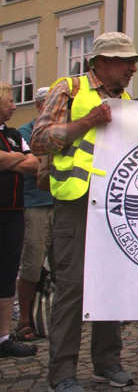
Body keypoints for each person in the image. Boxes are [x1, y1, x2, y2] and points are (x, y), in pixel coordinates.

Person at [31, 32, 138, 392]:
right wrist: (88, 122)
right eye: (126, 61)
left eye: (133, 61)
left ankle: (106, 361)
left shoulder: (126, 100)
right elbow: (40, 139)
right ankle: (61, 373)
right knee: (73, 288)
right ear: (102, 62)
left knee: (111, 284)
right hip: (76, 202)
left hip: (113, 206)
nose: (132, 68)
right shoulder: (70, 88)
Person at [0, 82, 39, 358]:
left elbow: (34, 164)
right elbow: (23, 162)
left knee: (6, 275)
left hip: (13, 212)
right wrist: (18, 160)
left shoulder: (14, 134)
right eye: (9, 100)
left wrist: (7, 159)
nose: (15, 105)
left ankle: (3, 337)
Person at [14, 87, 54, 342]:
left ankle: (52, 317)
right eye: (52, 104)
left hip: (59, 203)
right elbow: (28, 167)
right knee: (31, 265)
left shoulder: (59, 131)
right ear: (40, 107)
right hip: (35, 206)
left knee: (62, 265)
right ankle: (24, 320)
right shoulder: (25, 133)